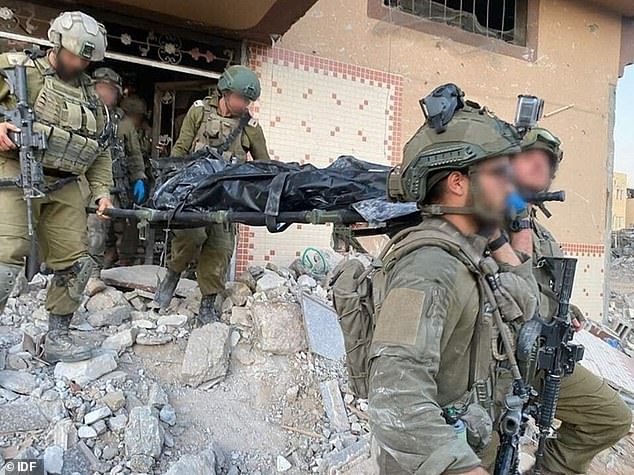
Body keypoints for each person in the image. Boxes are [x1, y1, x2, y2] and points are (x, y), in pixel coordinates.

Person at [368, 95, 540, 474]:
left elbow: (529, 308)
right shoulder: (427, 268)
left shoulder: (471, 252)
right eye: (499, 175)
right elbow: (395, 399)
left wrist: (500, 243)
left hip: (472, 441)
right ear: (458, 183)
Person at [508, 127, 631, 475]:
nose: (539, 168)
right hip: (500, 363)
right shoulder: (492, 220)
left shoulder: (539, 231)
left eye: (546, 164)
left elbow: (541, 290)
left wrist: (568, 312)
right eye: (530, 159)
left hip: (546, 358)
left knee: (612, 417)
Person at [0, 11, 113, 363]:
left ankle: (59, 334)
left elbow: (100, 150)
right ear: (57, 43)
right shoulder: (18, 70)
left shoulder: (92, 98)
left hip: (65, 185)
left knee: (76, 264)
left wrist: (102, 192)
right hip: (17, 173)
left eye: (85, 59)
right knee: (5, 260)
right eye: (73, 55)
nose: (78, 62)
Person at [154, 65, 270, 322]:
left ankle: (207, 305)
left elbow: (264, 166)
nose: (244, 104)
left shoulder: (250, 127)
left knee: (220, 249)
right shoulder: (198, 112)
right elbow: (181, 150)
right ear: (225, 92)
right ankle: (172, 275)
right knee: (191, 237)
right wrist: (172, 187)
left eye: (248, 100)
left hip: (226, 199)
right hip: (193, 195)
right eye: (241, 98)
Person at [88, 67, 146, 269]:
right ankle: (91, 274)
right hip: (89, 186)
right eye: (100, 88)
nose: (104, 93)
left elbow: (134, 155)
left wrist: (139, 178)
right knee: (95, 231)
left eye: (109, 90)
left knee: (125, 227)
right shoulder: (84, 114)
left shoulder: (124, 123)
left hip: (119, 185)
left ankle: (121, 268)